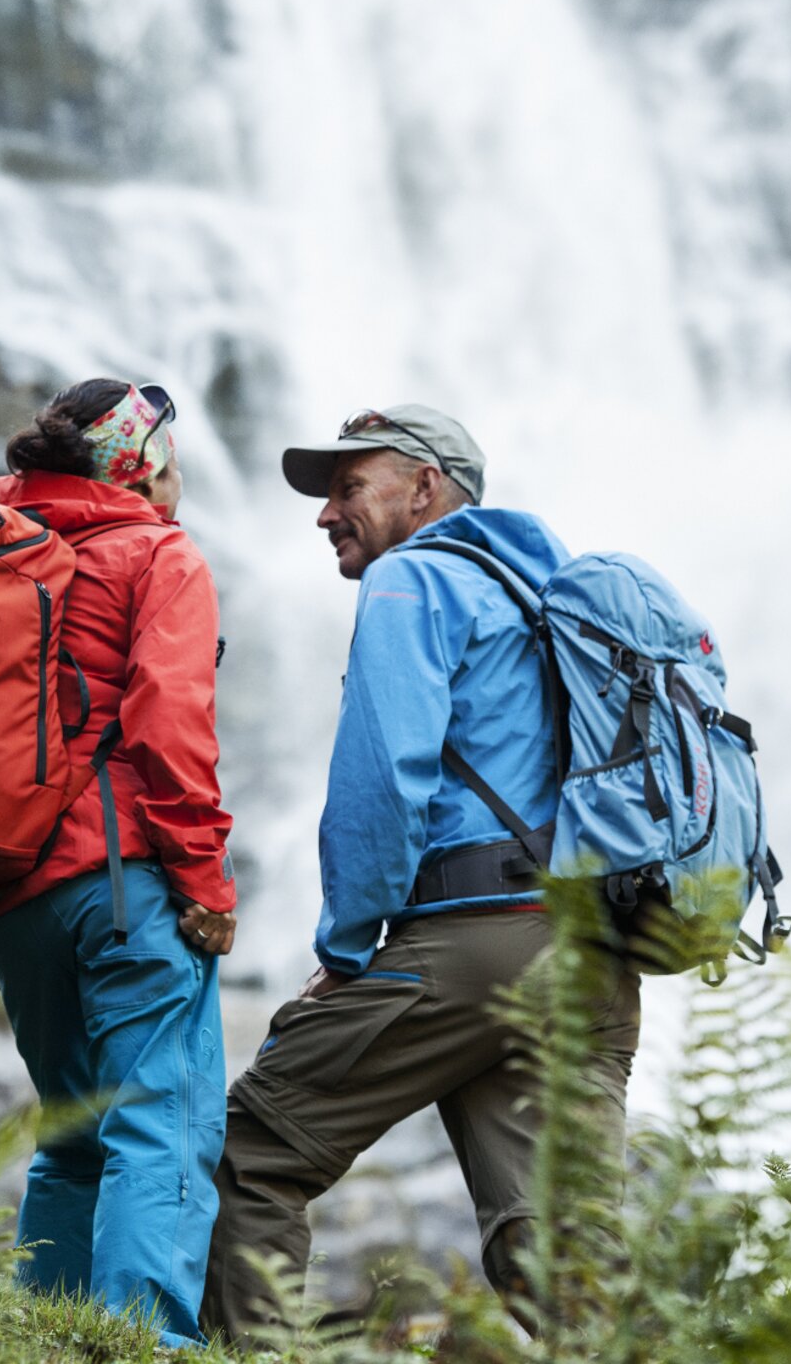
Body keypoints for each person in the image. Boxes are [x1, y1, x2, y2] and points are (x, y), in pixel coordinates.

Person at [201, 405, 641, 1340]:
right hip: (591, 952)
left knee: (255, 1150)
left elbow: (384, 779)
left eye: (350, 487)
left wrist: (348, 945)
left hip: (475, 940)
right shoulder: (539, 594)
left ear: (426, 488)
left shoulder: (415, 580)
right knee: (556, 1242)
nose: (326, 514)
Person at [0, 378, 237, 1347]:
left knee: (73, 1141)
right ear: (141, 464)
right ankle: (147, 1351)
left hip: (9, 897)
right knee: (159, 1132)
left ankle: (41, 1346)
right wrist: (205, 884)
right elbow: (170, 729)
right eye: (170, 457)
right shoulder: (154, 552)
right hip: (123, 885)